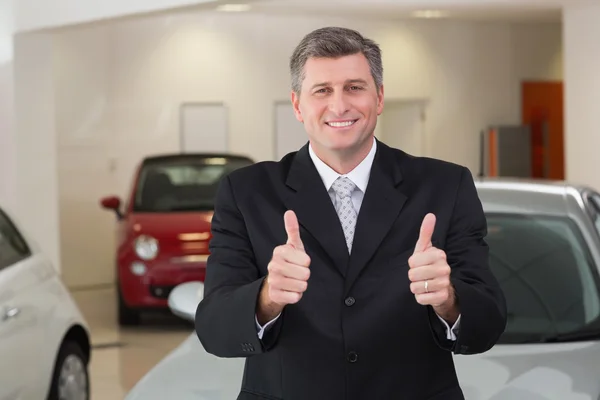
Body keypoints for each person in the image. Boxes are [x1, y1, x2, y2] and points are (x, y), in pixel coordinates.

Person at [194, 26, 507, 400]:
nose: (339, 105)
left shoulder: (445, 186)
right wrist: (267, 298)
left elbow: (488, 324)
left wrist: (448, 300)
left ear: (379, 98)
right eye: (322, 90)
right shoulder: (246, 193)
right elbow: (214, 328)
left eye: (354, 87)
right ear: (297, 105)